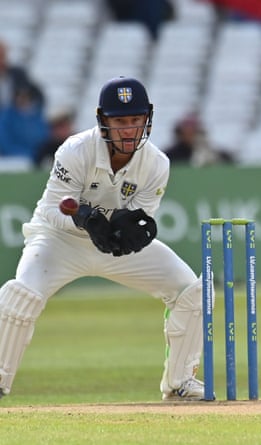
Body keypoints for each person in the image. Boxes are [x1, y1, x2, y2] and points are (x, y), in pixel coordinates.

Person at [0, 76, 204, 401]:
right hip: (59, 241)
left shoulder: (157, 163)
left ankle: (180, 384)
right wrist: (84, 219)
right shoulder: (75, 150)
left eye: (135, 120)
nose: (128, 129)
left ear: (147, 120)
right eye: (120, 121)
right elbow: (53, 209)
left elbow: (141, 217)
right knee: (21, 295)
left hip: (111, 246)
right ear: (103, 120)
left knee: (191, 291)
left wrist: (128, 236)